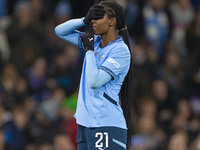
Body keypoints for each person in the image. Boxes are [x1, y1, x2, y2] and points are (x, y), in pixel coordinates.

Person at [55, 1, 132, 149]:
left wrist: (89, 50)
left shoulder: (120, 51)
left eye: (98, 16)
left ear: (112, 21)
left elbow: (95, 81)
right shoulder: (94, 42)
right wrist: (83, 19)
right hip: (85, 123)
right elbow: (59, 31)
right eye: (92, 17)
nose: (93, 21)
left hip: (106, 123)